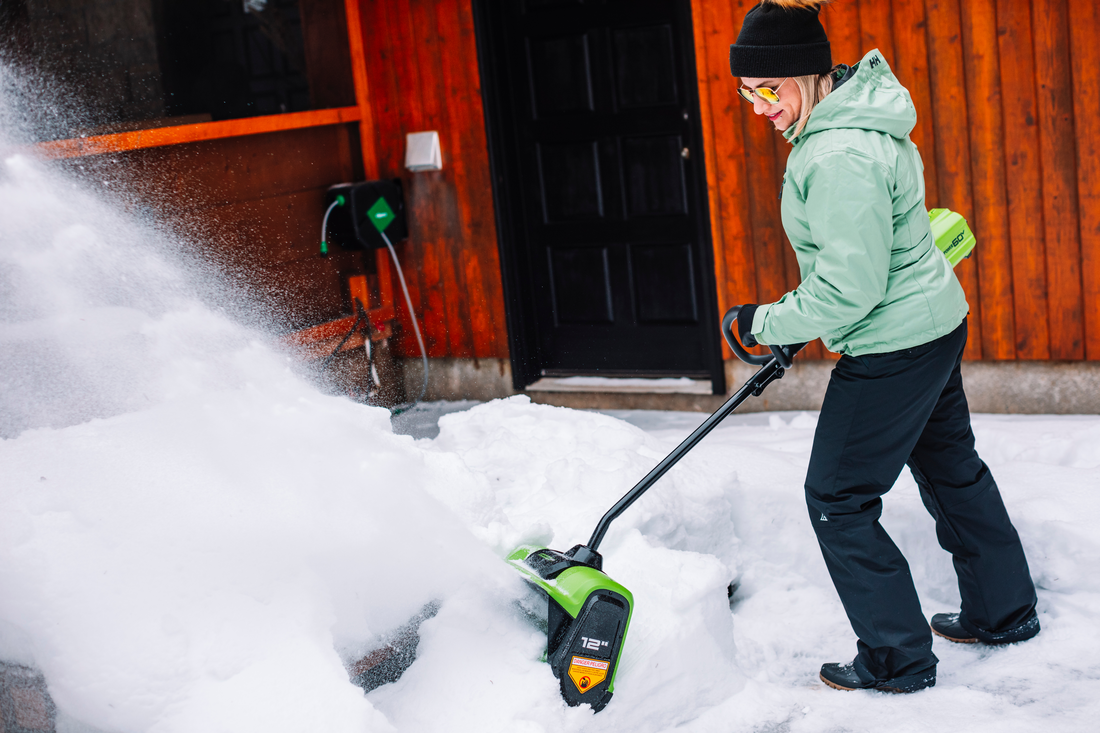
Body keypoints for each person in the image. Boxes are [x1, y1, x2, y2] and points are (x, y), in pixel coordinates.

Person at [727, 0, 1040, 693]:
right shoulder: (861, 117)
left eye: (768, 90)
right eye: (748, 94)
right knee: (952, 469)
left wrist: (763, 321)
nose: (759, 107)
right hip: (930, 325)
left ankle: (897, 656)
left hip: (892, 343)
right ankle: (1004, 610)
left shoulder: (837, 151)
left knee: (837, 496)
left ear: (804, 76)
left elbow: (849, 287)